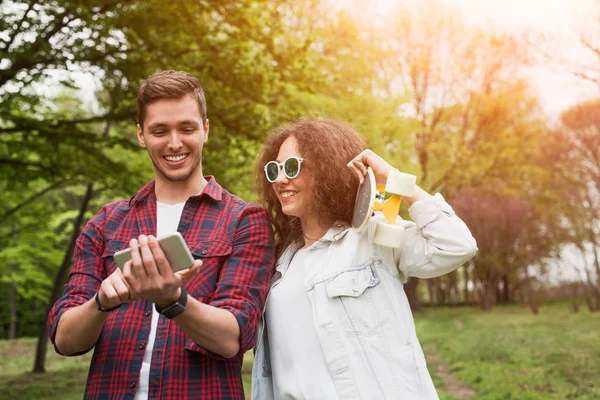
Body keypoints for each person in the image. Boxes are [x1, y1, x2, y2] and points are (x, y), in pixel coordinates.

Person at [48, 70, 275, 399]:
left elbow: (232, 339)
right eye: (159, 130)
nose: (174, 143)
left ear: (205, 129)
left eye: (187, 128)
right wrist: (101, 302)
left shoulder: (244, 220)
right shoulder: (105, 223)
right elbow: (65, 341)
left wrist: (174, 301)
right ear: (141, 135)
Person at [251, 118, 477, 400]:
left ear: (327, 170)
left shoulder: (373, 238)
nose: (281, 179)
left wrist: (394, 179)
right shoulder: (278, 266)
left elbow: (456, 245)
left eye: (292, 167)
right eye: (275, 169)